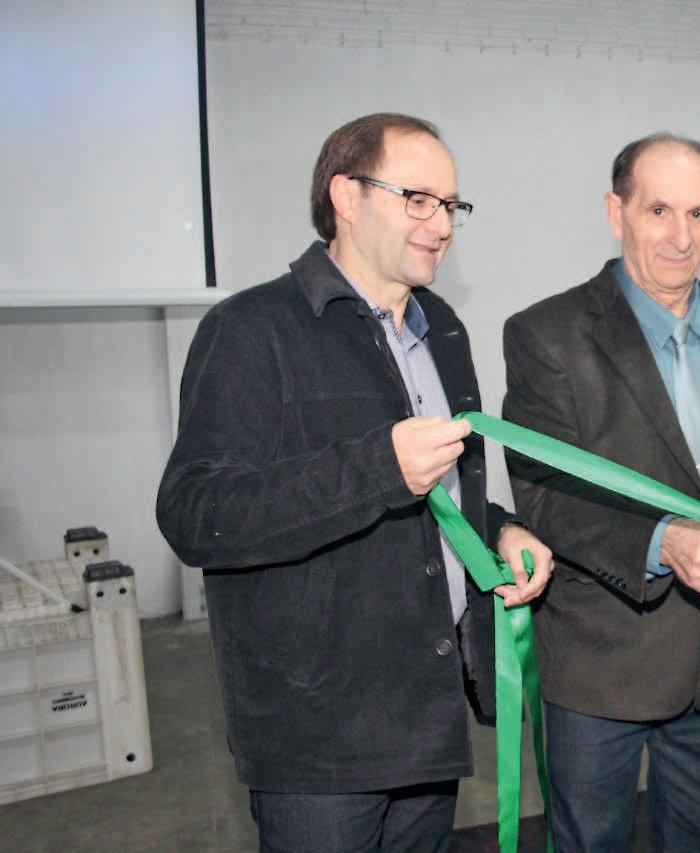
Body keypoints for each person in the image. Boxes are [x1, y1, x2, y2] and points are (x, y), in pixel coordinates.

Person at [156, 113, 553, 853]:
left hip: (429, 715)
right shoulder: (251, 329)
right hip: (319, 739)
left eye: (451, 205)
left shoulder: (443, 328)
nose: (442, 225)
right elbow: (196, 512)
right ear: (346, 195)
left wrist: (500, 530)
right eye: (418, 199)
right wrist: (376, 469)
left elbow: (443, 493)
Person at [502, 132, 700, 852]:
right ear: (615, 212)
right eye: (659, 210)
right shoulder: (548, 335)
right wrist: (665, 542)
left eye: (698, 213)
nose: (680, 236)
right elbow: (544, 497)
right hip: (600, 669)